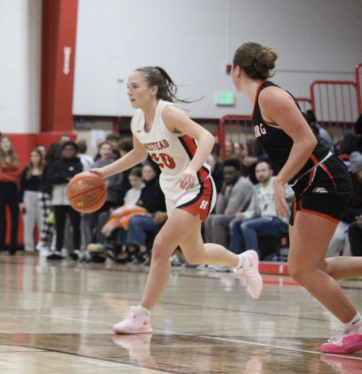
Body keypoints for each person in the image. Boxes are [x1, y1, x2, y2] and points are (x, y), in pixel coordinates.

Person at [91, 66, 263, 334]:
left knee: (161, 247)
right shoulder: (137, 120)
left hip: (197, 185)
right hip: (172, 188)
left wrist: (192, 168)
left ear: (153, 90)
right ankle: (243, 262)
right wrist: (104, 171)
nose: (129, 91)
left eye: (135, 86)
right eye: (127, 86)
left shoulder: (168, 112)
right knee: (195, 254)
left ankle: (142, 316)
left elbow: (207, 137)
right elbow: (138, 155)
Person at [232, 42, 362, 354]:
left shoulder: (270, 95)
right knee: (316, 268)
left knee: (301, 270)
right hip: (310, 181)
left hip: (323, 177)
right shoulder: (260, 102)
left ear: (236, 71)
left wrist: (279, 183)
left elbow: (306, 140)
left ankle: (355, 328)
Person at [229, 160, 292, 256]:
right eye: (257, 172)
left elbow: (292, 195)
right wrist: (243, 215)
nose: (260, 174)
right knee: (235, 223)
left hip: (279, 220)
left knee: (247, 226)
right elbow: (252, 210)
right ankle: (234, 258)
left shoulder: (279, 182)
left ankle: (253, 259)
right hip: (262, 219)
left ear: (270, 172)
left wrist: (282, 197)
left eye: (263, 171)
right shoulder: (256, 188)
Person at [204, 159, 254, 248]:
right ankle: (211, 253)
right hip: (234, 216)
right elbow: (219, 211)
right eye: (225, 174)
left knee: (217, 220)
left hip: (247, 217)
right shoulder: (229, 186)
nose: (227, 176)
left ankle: (221, 254)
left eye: (230, 173)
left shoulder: (243, 185)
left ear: (238, 173)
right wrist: (222, 193)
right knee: (208, 219)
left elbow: (230, 213)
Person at [47, 141, 83, 260]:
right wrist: (65, 177)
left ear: (75, 151)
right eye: (66, 149)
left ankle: (77, 249)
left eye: (71, 149)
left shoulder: (79, 164)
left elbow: (77, 178)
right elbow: (51, 178)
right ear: (62, 151)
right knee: (59, 226)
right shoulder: (57, 164)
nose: (68, 152)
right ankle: (58, 249)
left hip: (74, 199)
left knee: (75, 225)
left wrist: (63, 177)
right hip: (59, 199)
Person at [0, 135, 22, 255]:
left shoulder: (15, 157)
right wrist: (12, 178)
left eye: (8, 142)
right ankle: (1, 247)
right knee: (1, 218)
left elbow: (19, 172)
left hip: (13, 190)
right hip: (0, 189)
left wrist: (9, 178)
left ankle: (13, 247)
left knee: (15, 218)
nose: (6, 144)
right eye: (3, 142)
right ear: (0, 145)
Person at [19, 148, 43, 254]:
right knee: (28, 222)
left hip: (41, 196)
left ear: (40, 157)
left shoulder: (44, 169)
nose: (34, 158)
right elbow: (21, 186)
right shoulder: (26, 170)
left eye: (36, 156)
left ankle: (42, 246)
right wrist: (21, 202)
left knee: (42, 222)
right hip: (28, 196)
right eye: (32, 156)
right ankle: (29, 247)